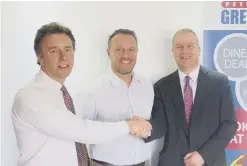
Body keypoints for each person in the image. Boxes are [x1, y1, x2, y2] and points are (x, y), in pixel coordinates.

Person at [11, 22, 151, 166]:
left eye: (68, 49)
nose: (63, 57)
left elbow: (75, 140)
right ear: (39, 57)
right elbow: (82, 130)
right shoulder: (32, 97)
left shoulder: (61, 93)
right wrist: (129, 126)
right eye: (54, 51)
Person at [143, 28, 238, 166]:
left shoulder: (219, 82)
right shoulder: (161, 86)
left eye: (190, 46)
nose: (184, 51)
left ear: (199, 50)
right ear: (173, 52)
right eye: (179, 47)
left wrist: (203, 155)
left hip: (209, 161)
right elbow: (160, 125)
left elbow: (229, 124)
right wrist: (143, 128)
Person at [75, 29, 154, 166]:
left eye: (131, 49)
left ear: (136, 52)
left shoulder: (147, 86)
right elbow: (81, 133)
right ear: (108, 53)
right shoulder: (92, 90)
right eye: (119, 50)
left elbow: (149, 126)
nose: (126, 55)